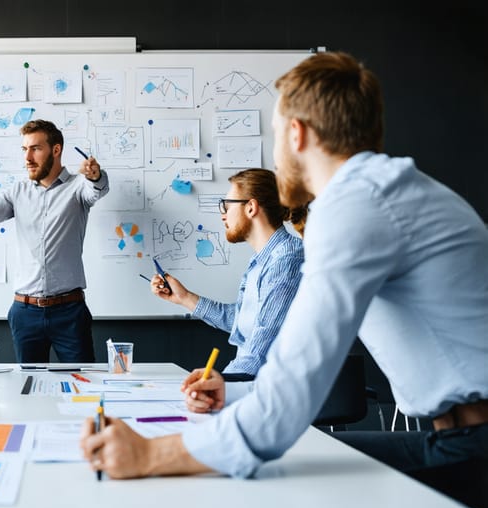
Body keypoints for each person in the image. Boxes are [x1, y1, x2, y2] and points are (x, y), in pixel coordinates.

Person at [80, 51, 488, 479]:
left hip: (472, 448)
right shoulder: (386, 190)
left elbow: (296, 383)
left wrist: (151, 456)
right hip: (457, 439)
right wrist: (234, 397)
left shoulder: (357, 205)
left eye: (273, 135)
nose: (275, 158)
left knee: (262, 473)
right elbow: (292, 371)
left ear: (296, 134)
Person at [0, 119, 109, 363]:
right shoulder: (17, 191)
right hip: (25, 312)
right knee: (29, 387)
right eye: (24, 149)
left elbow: (98, 189)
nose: (27, 157)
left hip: (69, 312)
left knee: (82, 387)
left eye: (35, 148)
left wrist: (96, 176)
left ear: (56, 150)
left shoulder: (78, 188)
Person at [150, 168, 304, 385]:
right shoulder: (261, 261)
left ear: (251, 207)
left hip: (271, 389)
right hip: (251, 382)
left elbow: (262, 345)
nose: (223, 214)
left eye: (227, 205)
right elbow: (243, 322)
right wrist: (183, 297)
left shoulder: (286, 260)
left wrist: (220, 382)